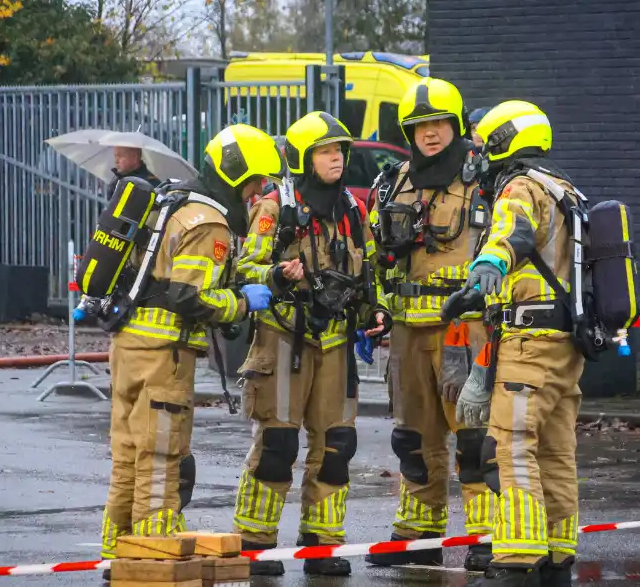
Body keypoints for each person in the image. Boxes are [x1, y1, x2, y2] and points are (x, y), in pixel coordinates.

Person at [100, 124, 280, 559]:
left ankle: (115, 550)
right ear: (236, 175)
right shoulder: (209, 223)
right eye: (255, 181)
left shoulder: (173, 200)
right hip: (165, 355)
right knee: (161, 454)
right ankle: (153, 550)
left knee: (128, 452)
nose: (258, 192)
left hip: (127, 345)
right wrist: (242, 302)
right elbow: (188, 296)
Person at [231, 111, 390, 577]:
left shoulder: (354, 211)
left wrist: (375, 312)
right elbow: (244, 270)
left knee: (337, 444)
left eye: (339, 150)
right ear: (303, 158)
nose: (336, 158)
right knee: (278, 443)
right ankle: (255, 541)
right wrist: (277, 275)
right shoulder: (274, 208)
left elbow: (369, 272)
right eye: (325, 151)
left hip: (336, 343)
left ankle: (322, 542)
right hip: (283, 338)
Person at [364, 77, 498, 572]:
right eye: (420, 126)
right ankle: (417, 533)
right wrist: (375, 309)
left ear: (456, 124)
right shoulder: (395, 182)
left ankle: (486, 536)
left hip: (466, 329)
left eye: (439, 123)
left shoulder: (483, 179)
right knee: (413, 439)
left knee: (474, 437)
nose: (431, 133)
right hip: (407, 332)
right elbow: (375, 257)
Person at [451, 100, 585, 587]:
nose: (479, 155)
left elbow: (513, 230)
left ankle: (517, 559)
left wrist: (490, 264)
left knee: (510, 446)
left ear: (503, 141)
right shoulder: (565, 189)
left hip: (528, 344)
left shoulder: (520, 186)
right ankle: (557, 557)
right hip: (565, 344)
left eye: (483, 145)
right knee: (556, 451)